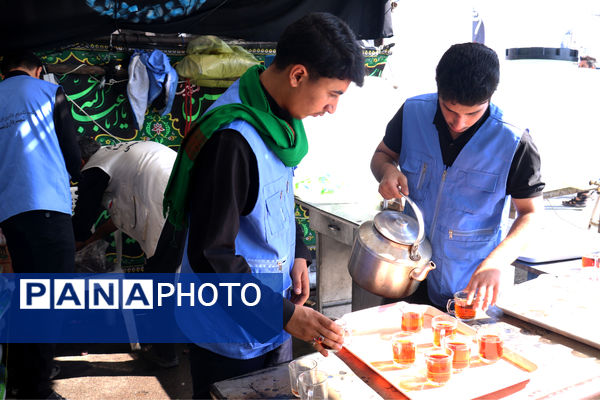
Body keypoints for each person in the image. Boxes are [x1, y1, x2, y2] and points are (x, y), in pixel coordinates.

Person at [163, 12, 365, 398]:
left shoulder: (277, 119)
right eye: (333, 94)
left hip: (270, 314)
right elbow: (211, 257)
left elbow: (275, 198)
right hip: (229, 333)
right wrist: (287, 315)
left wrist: (299, 254)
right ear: (298, 75)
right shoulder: (232, 142)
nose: (332, 108)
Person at [370, 42, 545, 312]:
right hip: (406, 276)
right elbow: (382, 155)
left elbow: (530, 214)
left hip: (469, 288)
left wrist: (495, 264)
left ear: (490, 97)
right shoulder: (413, 112)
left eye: (472, 113)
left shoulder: (514, 142)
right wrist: (388, 171)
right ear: (438, 89)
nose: (459, 122)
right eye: (449, 109)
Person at [0, 51, 81, 400]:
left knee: (25, 295)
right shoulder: (50, 92)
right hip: (47, 208)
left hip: (11, 214)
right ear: (37, 70)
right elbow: (74, 157)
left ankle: (21, 377)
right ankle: (37, 390)